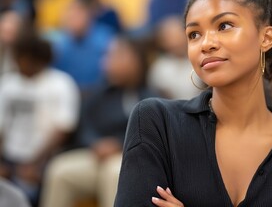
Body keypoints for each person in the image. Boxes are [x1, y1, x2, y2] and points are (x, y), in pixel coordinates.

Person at [115, 0, 272, 207]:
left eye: (224, 26)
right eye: (194, 34)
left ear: (266, 37)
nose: (206, 43)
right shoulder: (156, 122)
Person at [41, 36, 159, 207]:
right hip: (98, 157)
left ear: (137, 60)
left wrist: (119, 144)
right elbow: (85, 127)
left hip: (131, 160)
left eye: (116, 55)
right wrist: (96, 144)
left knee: (114, 172)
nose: (107, 61)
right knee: (60, 170)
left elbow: (150, 135)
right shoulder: (99, 94)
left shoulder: (152, 96)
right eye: (107, 55)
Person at [0, 29, 79, 205]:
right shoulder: (8, 84)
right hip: (10, 159)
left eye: (21, 57)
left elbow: (63, 130)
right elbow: (1, 129)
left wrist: (35, 165)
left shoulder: (61, 83)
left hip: (45, 162)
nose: (17, 62)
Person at [148, 16, 201, 99]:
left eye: (178, 34)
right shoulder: (159, 67)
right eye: (170, 36)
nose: (175, 41)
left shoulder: (198, 58)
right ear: (162, 41)